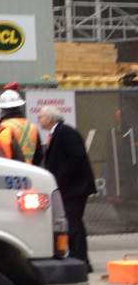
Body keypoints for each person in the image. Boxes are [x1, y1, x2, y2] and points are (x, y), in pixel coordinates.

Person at [39, 108, 96, 269]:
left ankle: (79, 260)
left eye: (41, 117)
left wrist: (59, 179)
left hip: (75, 188)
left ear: (50, 118)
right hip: (71, 187)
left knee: (73, 223)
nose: (39, 120)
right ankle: (80, 259)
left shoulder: (65, 132)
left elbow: (76, 158)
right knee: (74, 222)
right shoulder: (58, 133)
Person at [0, 88, 43, 165]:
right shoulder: (32, 126)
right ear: (20, 107)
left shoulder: (3, 127)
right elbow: (39, 154)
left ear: (2, 109)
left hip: (10, 168)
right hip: (30, 169)